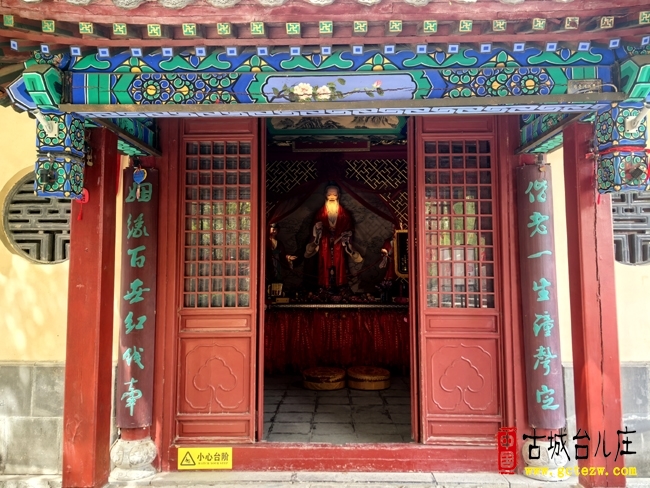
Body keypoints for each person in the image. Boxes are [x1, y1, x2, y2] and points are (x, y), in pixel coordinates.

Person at [305, 183, 362, 288]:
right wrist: (317, 229)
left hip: (339, 244)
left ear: (338, 195)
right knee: (323, 263)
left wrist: (347, 235)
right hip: (324, 243)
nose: (332, 197)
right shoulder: (320, 213)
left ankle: (339, 286)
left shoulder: (345, 214)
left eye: (334, 195)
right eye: (329, 194)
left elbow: (350, 229)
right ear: (325, 195)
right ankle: (324, 286)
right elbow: (314, 227)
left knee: (340, 263)